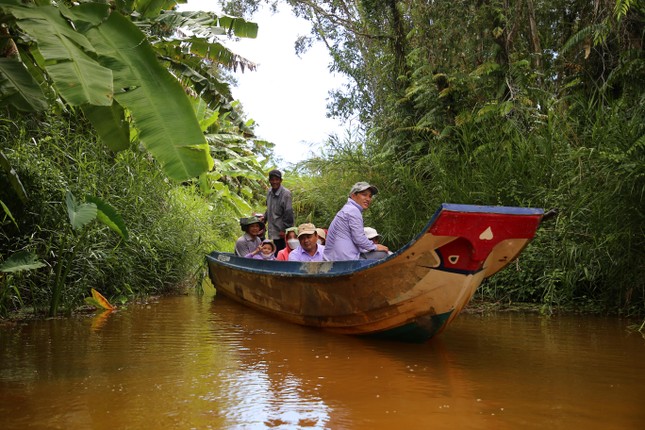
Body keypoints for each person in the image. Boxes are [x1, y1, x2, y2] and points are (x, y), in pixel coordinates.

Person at [323, 182, 389, 261]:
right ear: (353, 195)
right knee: (383, 254)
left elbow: (356, 241)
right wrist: (375, 246)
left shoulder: (347, 209)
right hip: (345, 261)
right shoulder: (353, 210)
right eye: (364, 195)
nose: (368, 199)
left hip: (331, 258)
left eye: (370, 196)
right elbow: (359, 239)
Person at [263, 169, 294, 255]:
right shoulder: (269, 192)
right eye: (272, 179)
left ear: (280, 180)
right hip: (272, 229)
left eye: (277, 179)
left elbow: (289, 212)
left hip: (281, 231)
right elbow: (269, 207)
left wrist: (284, 230)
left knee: (283, 252)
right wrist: (264, 218)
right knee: (275, 251)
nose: (274, 182)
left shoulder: (286, 194)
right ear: (269, 181)